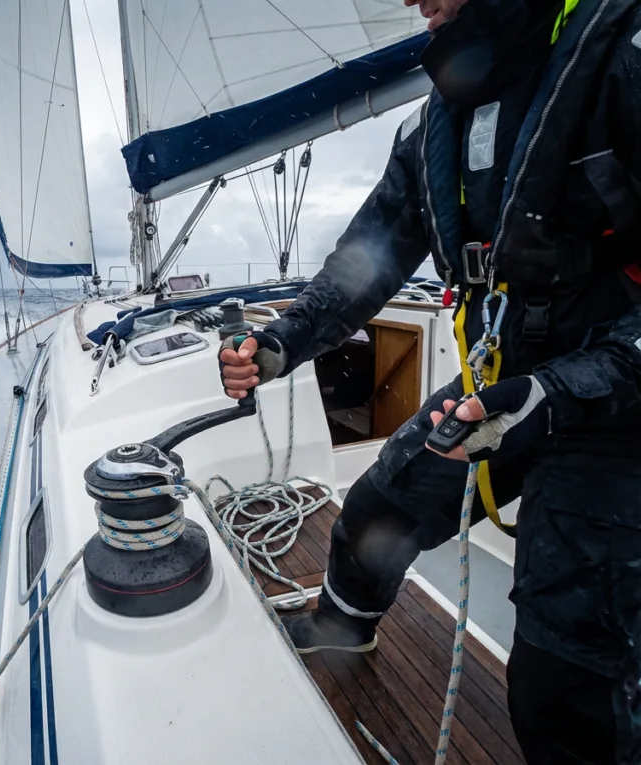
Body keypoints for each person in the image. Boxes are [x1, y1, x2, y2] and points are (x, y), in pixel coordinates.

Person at [218, 0, 641, 762]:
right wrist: (280, 343)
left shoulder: (623, 56)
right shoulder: (430, 132)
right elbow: (365, 263)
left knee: (563, 679)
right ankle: (342, 627)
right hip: (498, 390)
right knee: (375, 510)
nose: (416, 2)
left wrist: (554, 394)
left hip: (616, 406)